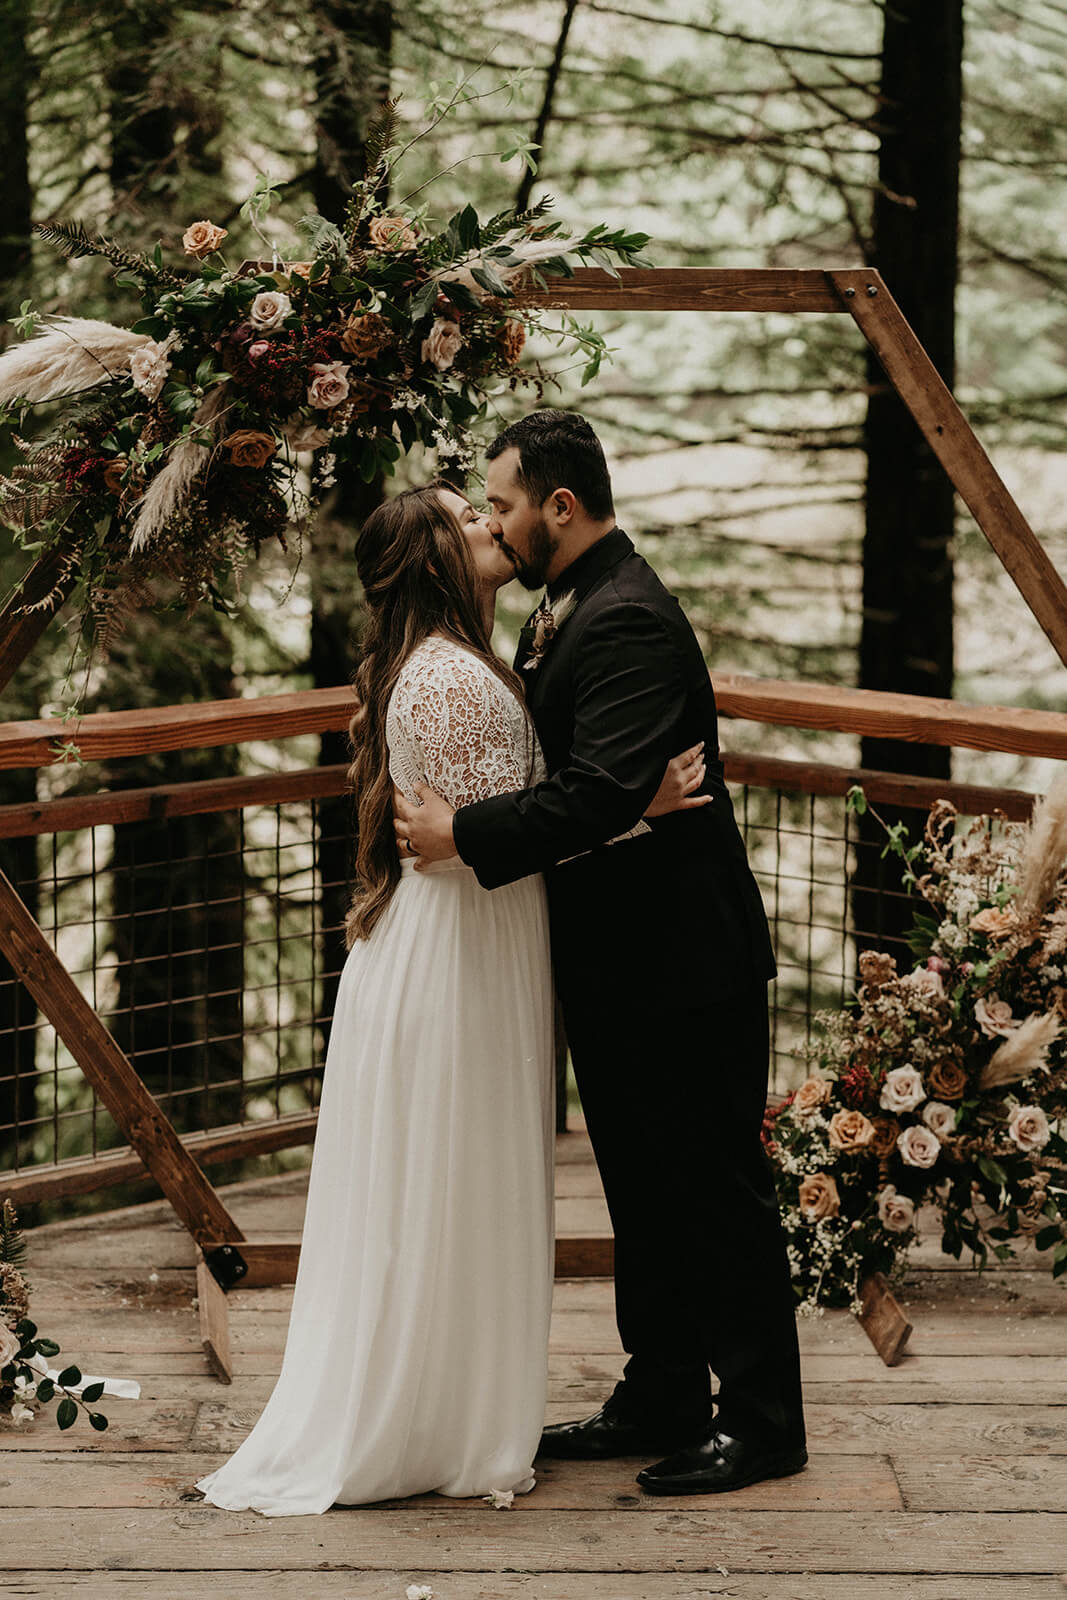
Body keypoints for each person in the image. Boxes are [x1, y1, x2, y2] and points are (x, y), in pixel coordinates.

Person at [194, 482, 702, 1515]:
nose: (490, 524)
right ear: (433, 558)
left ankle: (447, 1395)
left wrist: (604, 796)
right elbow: (496, 839)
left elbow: (506, 817)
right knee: (458, 1176)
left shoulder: (447, 664)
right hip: (463, 951)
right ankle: (436, 1416)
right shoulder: (451, 684)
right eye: (468, 518)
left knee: (454, 1177)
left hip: (466, 943)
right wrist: (632, 803)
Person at [396, 410, 807, 1496]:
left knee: (712, 1187)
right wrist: (625, 802)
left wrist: (459, 836)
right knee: (641, 1186)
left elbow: (591, 788)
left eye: (501, 506)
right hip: (621, 960)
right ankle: (662, 1390)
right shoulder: (558, 610)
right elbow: (601, 782)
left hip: (683, 960)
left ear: (559, 510)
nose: (492, 522)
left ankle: (762, 1420)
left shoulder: (625, 619)